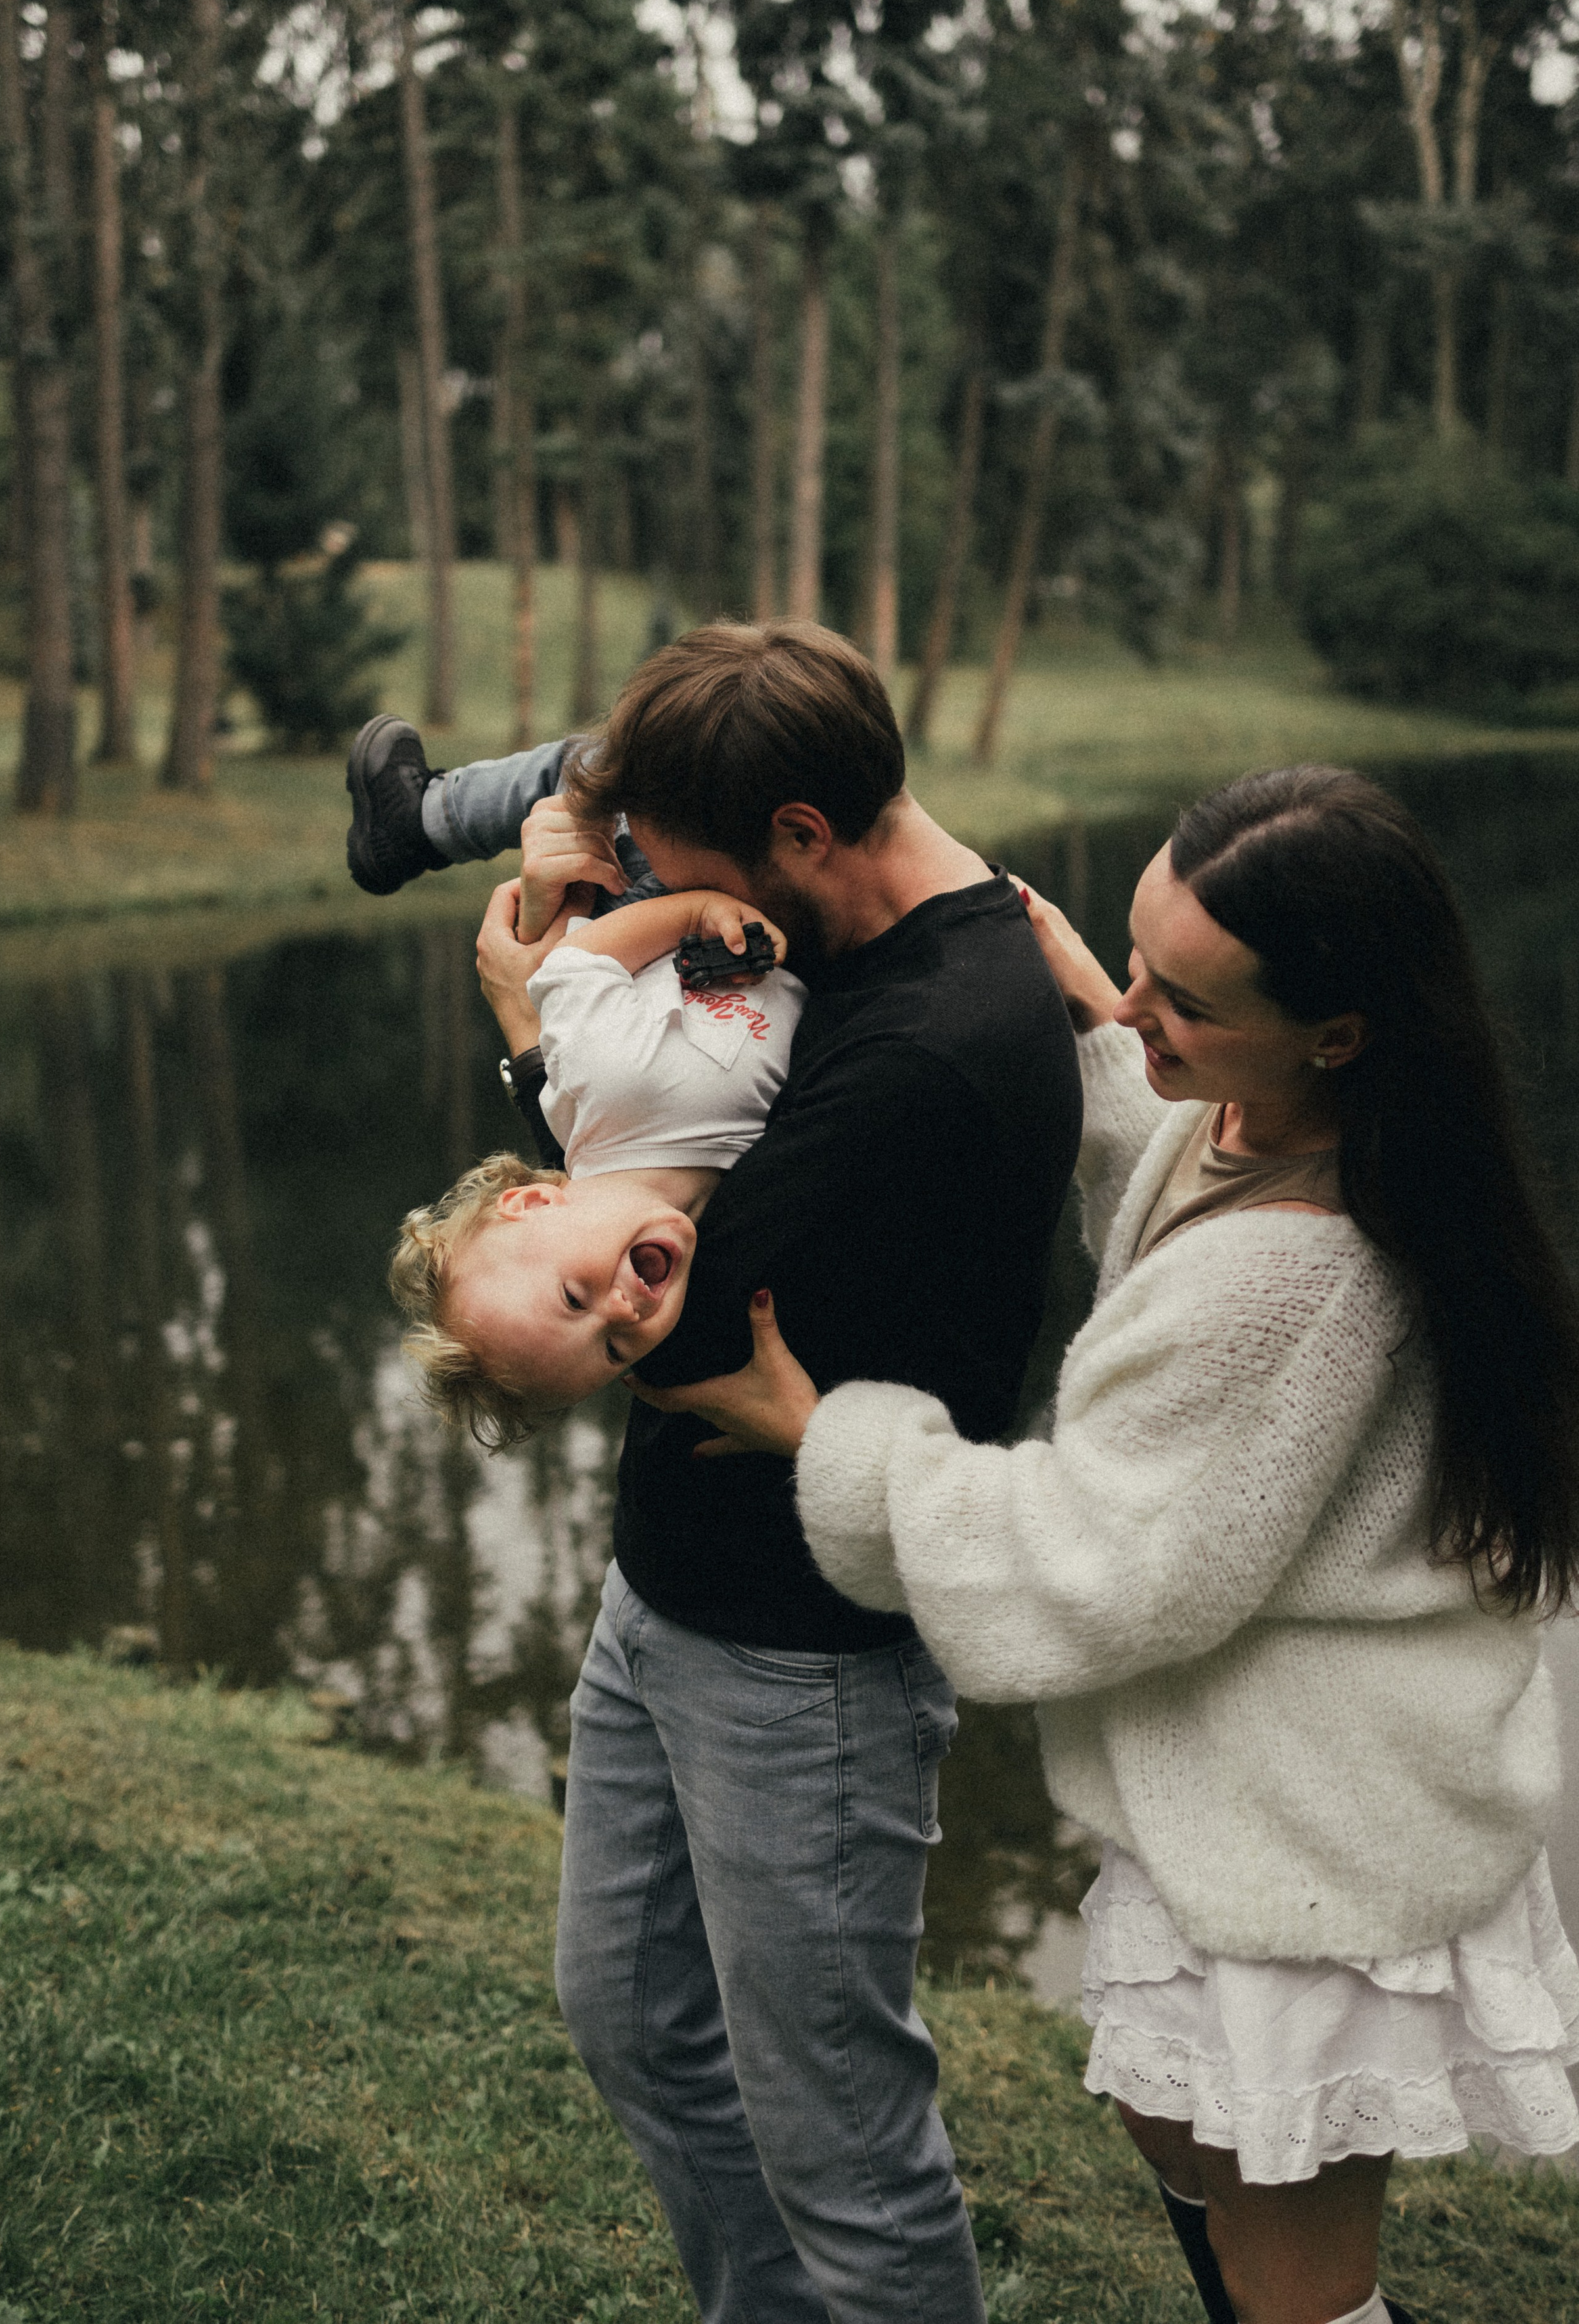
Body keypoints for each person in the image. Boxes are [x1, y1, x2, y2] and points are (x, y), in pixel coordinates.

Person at [635, 764, 1579, 2324]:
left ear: (1334, 1032)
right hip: (1255, 1774)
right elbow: (1168, 1168)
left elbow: (1099, 1559)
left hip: (1315, 1829)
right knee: (1174, 2125)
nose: (1141, 1007)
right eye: (1135, 957)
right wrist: (1088, 1010)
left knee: (1291, 2283)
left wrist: (827, 1437)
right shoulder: (1295, 1120)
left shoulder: (1296, 1281)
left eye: (1184, 1001)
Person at [344, 622, 1084, 2324]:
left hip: (803, 1658)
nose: (645, 883)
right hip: (668, 1593)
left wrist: (532, 1028)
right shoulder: (842, 918)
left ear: (800, 837)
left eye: (673, 862)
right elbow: (652, 1190)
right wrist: (606, 931)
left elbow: (658, 1308)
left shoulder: (932, 1039)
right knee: (633, 2023)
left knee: (843, 2150)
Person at [386, 884, 802, 1444]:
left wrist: (696, 910)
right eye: (613, 1351)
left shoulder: (607, 1087)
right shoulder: (738, 1222)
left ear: (534, 1201)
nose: (623, 1314)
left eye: (574, 1299)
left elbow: (574, 965)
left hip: (674, 892)